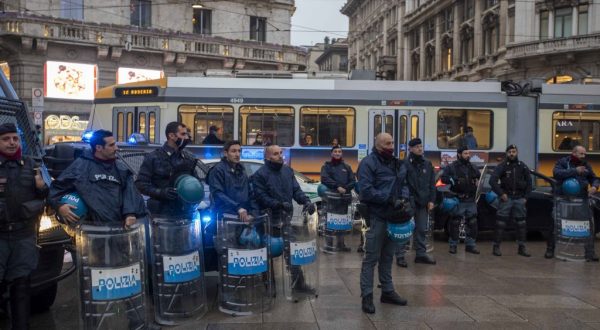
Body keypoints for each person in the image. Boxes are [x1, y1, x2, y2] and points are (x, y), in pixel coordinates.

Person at [0, 123, 48, 329]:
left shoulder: (32, 165)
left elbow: (46, 196)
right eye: (6, 139)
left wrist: (42, 187)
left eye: (15, 138)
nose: (12, 142)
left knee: (21, 287)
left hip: (23, 235)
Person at [251, 144, 317, 292]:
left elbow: (296, 190)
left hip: (285, 220)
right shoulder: (260, 175)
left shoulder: (288, 171)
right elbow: (261, 197)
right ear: (268, 157)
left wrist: (306, 201)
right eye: (276, 154)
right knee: (267, 254)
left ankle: (299, 284)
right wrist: (278, 204)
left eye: (281, 152)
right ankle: (269, 286)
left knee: (292, 251)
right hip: (268, 222)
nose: (280, 156)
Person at [357, 133, 411, 314]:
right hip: (377, 217)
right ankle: (367, 296)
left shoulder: (396, 163)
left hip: (394, 217)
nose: (392, 146)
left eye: (393, 142)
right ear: (378, 145)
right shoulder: (368, 163)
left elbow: (404, 183)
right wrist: (388, 199)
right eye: (388, 143)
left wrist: (403, 198)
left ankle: (387, 291)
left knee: (388, 256)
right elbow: (365, 191)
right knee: (371, 258)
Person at [49, 129, 146, 226]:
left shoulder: (122, 168)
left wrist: (130, 214)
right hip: (91, 230)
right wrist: (60, 206)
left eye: (115, 144)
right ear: (99, 147)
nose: (116, 148)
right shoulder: (80, 166)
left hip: (119, 229)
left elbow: (131, 193)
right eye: (111, 145)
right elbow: (56, 189)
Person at [136, 122, 199, 217]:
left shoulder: (188, 158)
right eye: (183, 134)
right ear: (171, 136)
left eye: (187, 134)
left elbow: (196, 182)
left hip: (184, 213)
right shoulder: (154, 157)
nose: (187, 138)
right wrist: (161, 192)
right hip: (161, 214)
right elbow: (140, 185)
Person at [548, 145, 599, 261]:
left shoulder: (586, 165)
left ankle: (590, 253)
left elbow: (594, 178)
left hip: (581, 199)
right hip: (563, 198)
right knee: (555, 223)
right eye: (581, 154)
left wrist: (595, 187)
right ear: (574, 153)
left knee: (587, 226)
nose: (584, 156)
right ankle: (550, 250)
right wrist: (574, 171)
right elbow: (557, 174)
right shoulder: (562, 162)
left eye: (585, 154)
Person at [395, 138, 436, 267]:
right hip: (409, 202)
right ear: (410, 149)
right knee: (404, 229)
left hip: (423, 202)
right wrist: (402, 199)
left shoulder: (427, 164)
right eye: (417, 146)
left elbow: (431, 184)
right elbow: (400, 182)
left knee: (421, 229)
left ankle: (421, 254)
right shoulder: (405, 164)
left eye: (421, 146)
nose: (420, 148)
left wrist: (431, 200)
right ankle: (400, 256)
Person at [489, 144, 532, 257]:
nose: (512, 154)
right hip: (506, 199)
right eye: (510, 152)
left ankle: (522, 248)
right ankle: (496, 247)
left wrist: (525, 198)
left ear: (517, 152)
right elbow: (492, 181)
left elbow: (529, 183)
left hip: (519, 199)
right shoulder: (502, 166)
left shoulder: (522, 166)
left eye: (514, 151)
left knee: (521, 224)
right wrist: (501, 194)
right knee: (500, 224)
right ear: (506, 153)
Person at [441, 146, 481, 255]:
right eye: (465, 153)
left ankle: (470, 245)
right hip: (458, 198)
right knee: (455, 223)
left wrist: (477, 181)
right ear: (459, 154)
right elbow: (443, 178)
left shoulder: (473, 167)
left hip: (471, 199)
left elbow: (479, 176)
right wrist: (451, 179)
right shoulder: (452, 167)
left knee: (472, 223)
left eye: (469, 153)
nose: (468, 155)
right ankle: (453, 245)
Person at [320, 144, 356, 252]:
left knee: (341, 222)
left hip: (344, 200)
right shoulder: (326, 166)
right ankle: (329, 245)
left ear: (342, 153)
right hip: (331, 200)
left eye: (339, 152)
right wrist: (337, 186)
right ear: (331, 153)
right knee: (330, 223)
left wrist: (345, 188)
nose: (337, 153)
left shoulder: (347, 167)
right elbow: (324, 179)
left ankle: (341, 245)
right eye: (335, 151)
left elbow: (353, 181)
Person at [207, 140, 255, 221]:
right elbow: (217, 193)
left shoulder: (241, 171)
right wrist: (237, 207)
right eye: (233, 151)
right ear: (225, 153)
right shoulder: (218, 170)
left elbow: (249, 193)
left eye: (239, 151)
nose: (237, 154)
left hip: (242, 215)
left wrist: (252, 211)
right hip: (224, 217)